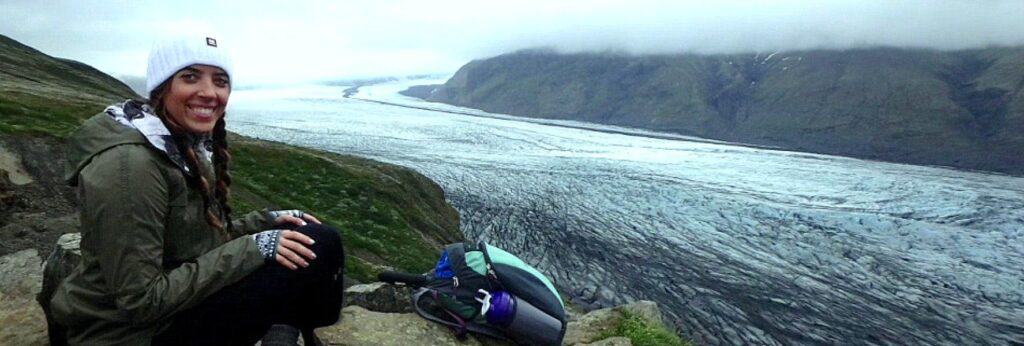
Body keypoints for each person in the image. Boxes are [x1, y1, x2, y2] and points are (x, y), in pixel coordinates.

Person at [48, 35, 344, 345]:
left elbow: (198, 242)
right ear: (163, 88)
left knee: (311, 234)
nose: (209, 93)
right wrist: (255, 247)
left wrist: (266, 222)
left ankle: (288, 328)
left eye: (220, 81)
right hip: (129, 333)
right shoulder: (130, 168)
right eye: (190, 77)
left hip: (169, 312)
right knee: (316, 246)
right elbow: (142, 301)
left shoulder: (175, 145)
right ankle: (290, 329)